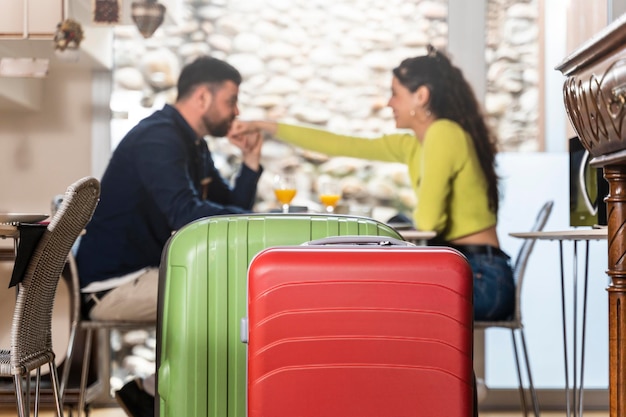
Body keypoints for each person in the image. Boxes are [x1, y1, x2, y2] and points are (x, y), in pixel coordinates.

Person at [229, 45, 514, 323]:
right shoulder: (414, 144)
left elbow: (430, 221)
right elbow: (341, 144)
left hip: (481, 279)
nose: (389, 103)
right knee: (365, 294)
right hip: (468, 272)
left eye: (395, 94)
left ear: (421, 96)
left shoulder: (443, 133)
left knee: (366, 299)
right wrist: (266, 126)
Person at [76, 56, 263, 417]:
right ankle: (157, 391)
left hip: (145, 274)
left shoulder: (193, 144)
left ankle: (160, 393)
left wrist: (251, 161)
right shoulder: (158, 137)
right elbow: (186, 214)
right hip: (112, 286)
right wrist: (259, 222)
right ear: (203, 98)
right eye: (231, 100)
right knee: (228, 293)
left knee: (230, 290)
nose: (236, 111)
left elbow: (233, 206)